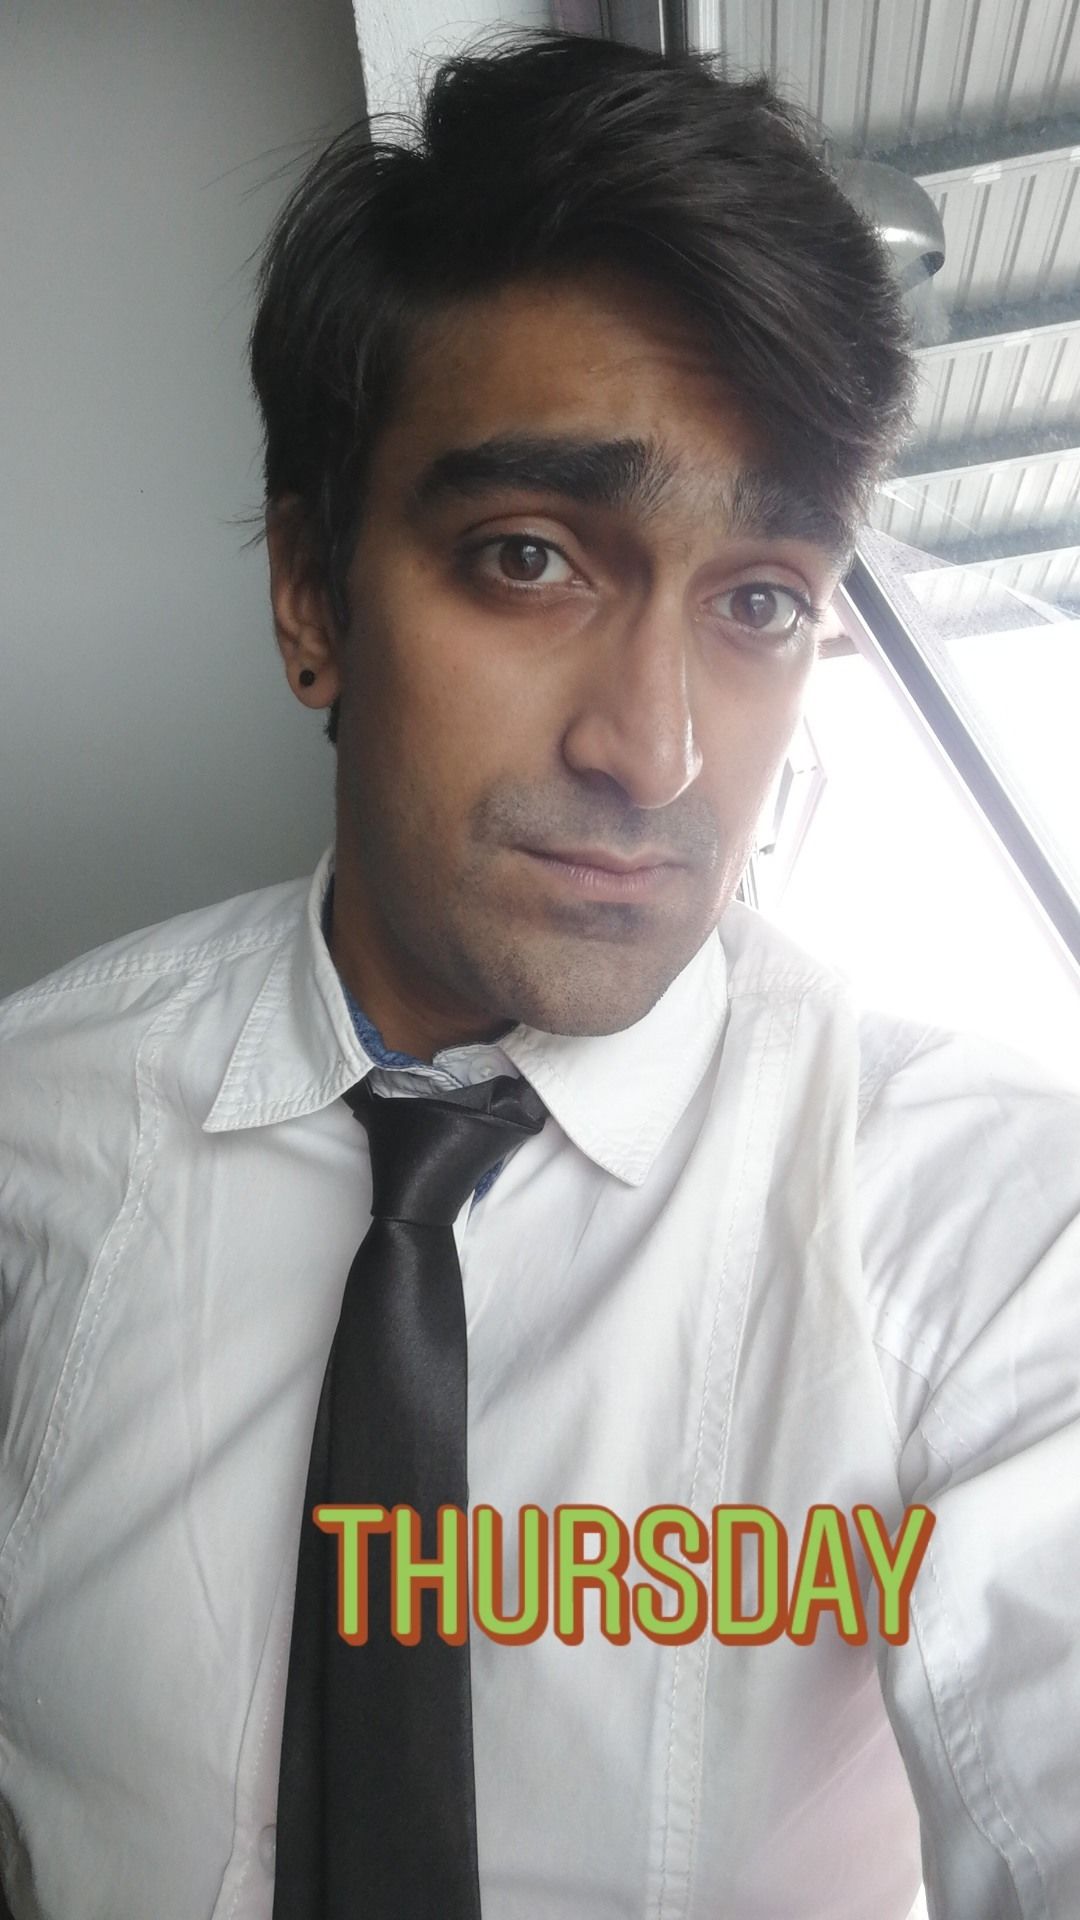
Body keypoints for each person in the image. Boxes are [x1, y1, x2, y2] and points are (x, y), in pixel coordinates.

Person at [1, 28, 1078, 1920]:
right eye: (529, 558)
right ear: (313, 596)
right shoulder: (34, 1135)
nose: (656, 752)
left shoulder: (978, 1231)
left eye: (761, 601)